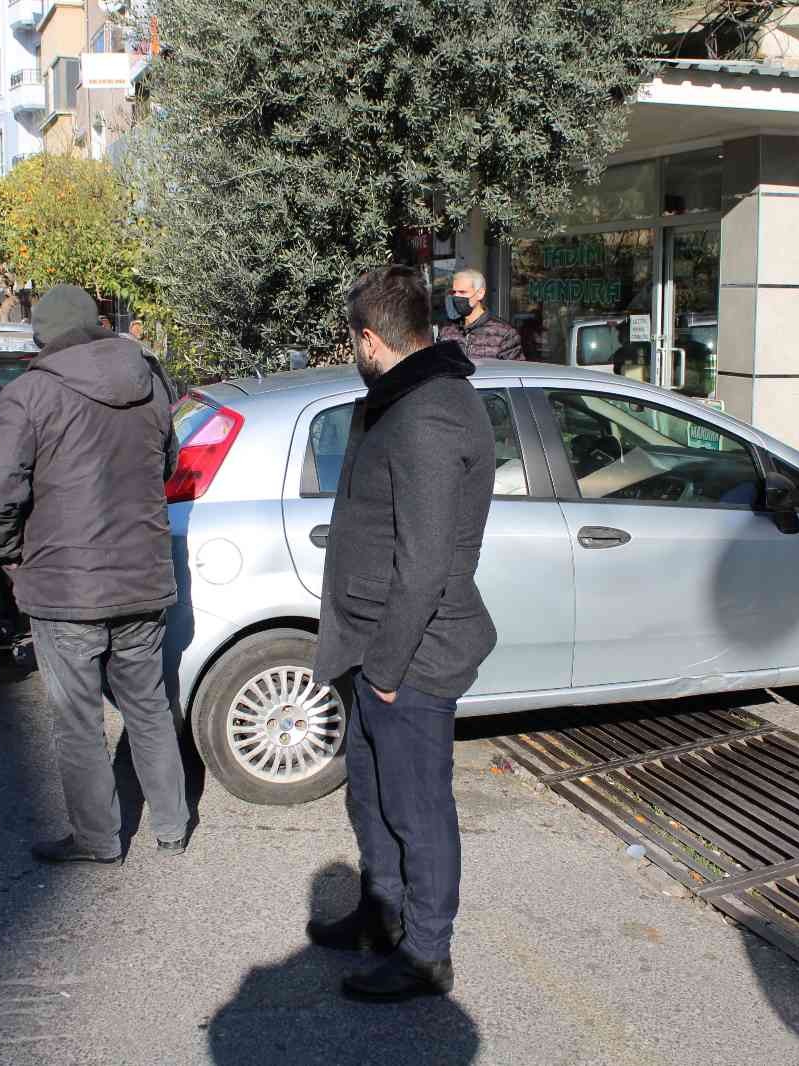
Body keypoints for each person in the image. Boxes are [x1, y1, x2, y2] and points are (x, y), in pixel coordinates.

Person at [309, 265, 498, 1002]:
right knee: (372, 794)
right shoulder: (400, 396)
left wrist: (386, 667)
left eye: (350, 340)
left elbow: (423, 565)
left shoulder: (428, 414)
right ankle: (382, 917)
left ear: (368, 338)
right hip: (373, 642)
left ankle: (426, 953)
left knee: (419, 810)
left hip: (411, 652)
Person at [0, 284, 189, 866]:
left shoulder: (30, 392)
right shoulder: (147, 378)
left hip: (64, 587)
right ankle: (172, 825)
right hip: (143, 576)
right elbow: (168, 464)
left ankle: (98, 840)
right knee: (148, 704)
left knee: (78, 721)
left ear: (42, 335)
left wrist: (9, 554)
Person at [437, 269, 523, 361]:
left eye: (462, 292)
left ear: (480, 293)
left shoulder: (504, 333)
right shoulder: (447, 332)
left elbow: (514, 371)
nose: (457, 297)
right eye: (454, 292)